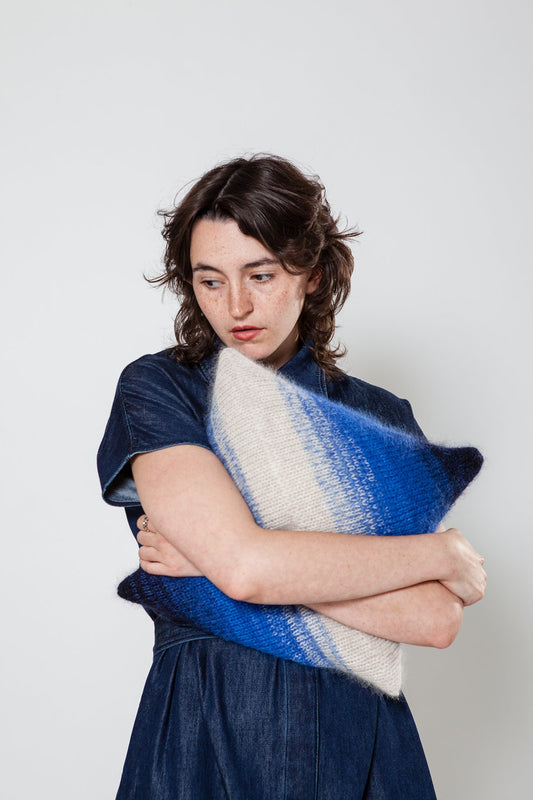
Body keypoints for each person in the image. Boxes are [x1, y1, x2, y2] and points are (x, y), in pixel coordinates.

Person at [97, 153, 486, 799]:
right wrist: (437, 554)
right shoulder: (161, 388)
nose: (236, 304)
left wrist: (215, 563)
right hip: (205, 726)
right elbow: (246, 569)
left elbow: (432, 619)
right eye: (210, 280)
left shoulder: (382, 417)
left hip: (360, 736)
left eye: (261, 274)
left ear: (313, 273)